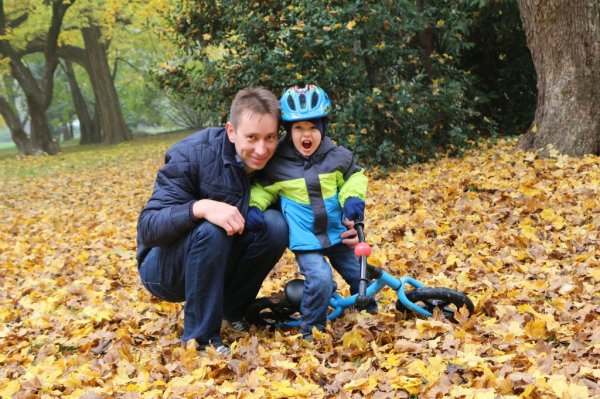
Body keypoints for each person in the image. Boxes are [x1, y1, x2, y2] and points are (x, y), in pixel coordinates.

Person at [136, 87, 289, 355]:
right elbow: (149, 227)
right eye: (251, 137)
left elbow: (313, 190)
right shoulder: (192, 154)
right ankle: (200, 339)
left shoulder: (280, 163)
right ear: (231, 131)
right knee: (212, 229)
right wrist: (200, 207)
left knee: (275, 225)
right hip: (165, 269)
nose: (261, 149)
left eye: (270, 137)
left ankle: (229, 313)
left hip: (221, 259)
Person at [248, 84, 377, 341]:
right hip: (306, 239)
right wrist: (253, 208)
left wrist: (352, 197)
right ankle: (312, 330)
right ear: (288, 131)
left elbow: (355, 177)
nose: (306, 135)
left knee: (359, 272)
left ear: (323, 129)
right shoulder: (278, 166)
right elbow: (263, 190)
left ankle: (369, 315)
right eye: (298, 128)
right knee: (320, 280)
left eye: (312, 128)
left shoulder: (338, 157)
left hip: (338, 233)